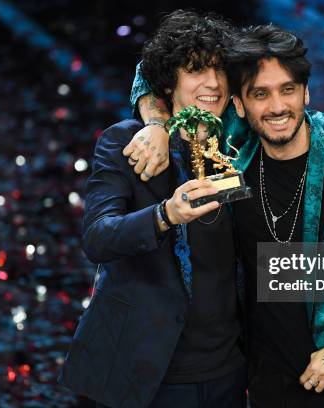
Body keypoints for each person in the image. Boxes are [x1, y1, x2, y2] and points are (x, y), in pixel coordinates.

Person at [127, 22, 324, 408]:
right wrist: (157, 125)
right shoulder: (236, 137)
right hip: (258, 380)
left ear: (306, 92)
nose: (276, 107)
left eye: (288, 90)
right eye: (260, 94)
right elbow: (151, 69)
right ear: (238, 104)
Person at [58, 10, 247, 408]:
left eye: (219, 70)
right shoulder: (127, 144)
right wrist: (165, 215)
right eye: (196, 70)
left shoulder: (236, 151)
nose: (211, 83)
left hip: (227, 373)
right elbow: (97, 238)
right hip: (146, 374)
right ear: (168, 81)